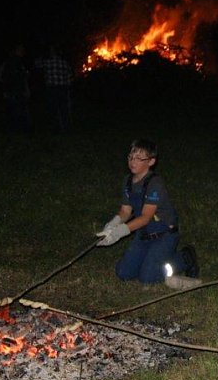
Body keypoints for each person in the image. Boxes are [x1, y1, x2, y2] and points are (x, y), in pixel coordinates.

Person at [96, 139, 199, 284]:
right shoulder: (127, 181)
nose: (133, 161)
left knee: (148, 277)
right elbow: (125, 211)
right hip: (144, 233)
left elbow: (145, 217)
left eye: (139, 158)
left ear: (151, 161)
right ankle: (147, 260)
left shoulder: (155, 183)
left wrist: (119, 232)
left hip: (164, 234)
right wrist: (112, 224)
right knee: (123, 273)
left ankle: (185, 257)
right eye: (131, 157)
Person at [34, 45, 73, 134]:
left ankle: (56, 128)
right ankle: (67, 128)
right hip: (63, 88)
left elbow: (36, 64)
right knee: (64, 108)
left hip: (52, 88)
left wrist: (41, 55)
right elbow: (69, 76)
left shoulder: (47, 62)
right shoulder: (64, 63)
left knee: (53, 108)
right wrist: (67, 86)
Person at [0, 43, 32, 133]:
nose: (23, 52)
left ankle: (17, 129)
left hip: (15, 90)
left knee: (16, 109)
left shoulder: (18, 62)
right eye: (21, 50)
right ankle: (17, 129)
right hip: (15, 90)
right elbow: (6, 77)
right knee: (17, 110)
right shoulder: (13, 62)